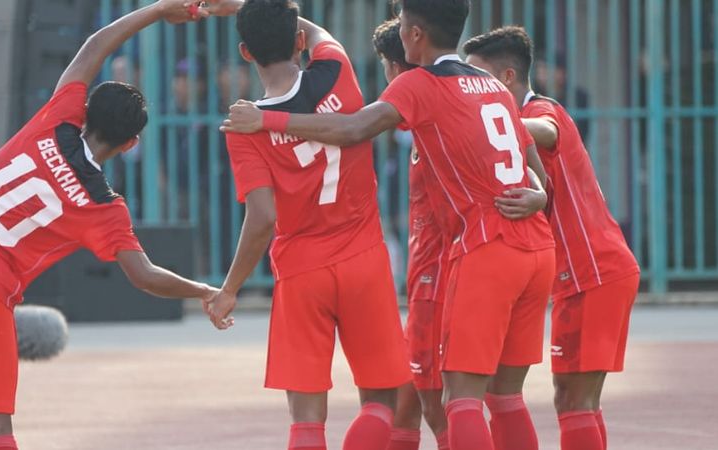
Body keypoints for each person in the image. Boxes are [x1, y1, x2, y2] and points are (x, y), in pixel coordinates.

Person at [0, 2, 219, 449]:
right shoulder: (103, 206)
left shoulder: (57, 117)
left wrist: (160, 9)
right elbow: (145, 277)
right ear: (132, 143)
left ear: (86, 109)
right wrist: (205, 291)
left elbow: (95, 44)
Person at [220, 1, 556, 449]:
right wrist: (540, 195)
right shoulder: (345, 71)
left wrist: (265, 120)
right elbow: (535, 162)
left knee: (447, 402)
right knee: (421, 400)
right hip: (386, 258)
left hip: (320, 264)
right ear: (299, 40)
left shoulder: (414, 84)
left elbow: (345, 138)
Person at [208, 1, 412, 449]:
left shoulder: (245, 127)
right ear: (299, 41)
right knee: (379, 403)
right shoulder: (336, 69)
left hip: (302, 270)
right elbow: (315, 29)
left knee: (306, 419)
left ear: (246, 52)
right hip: (364, 257)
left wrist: (230, 289)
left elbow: (262, 218)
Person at [464, 26, 641, 450]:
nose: (472, 89)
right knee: (577, 400)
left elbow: (544, 129)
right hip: (586, 274)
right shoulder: (512, 130)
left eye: (479, 78)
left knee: (574, 401)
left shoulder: (544, 111)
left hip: (594, 272)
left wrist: (484, 124)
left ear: (507, 78)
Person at [372, 18, 448, 450]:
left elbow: (354, 127)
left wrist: (274, 121)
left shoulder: (417, 96)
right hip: (429, 266)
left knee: (436, 402)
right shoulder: (431, 101)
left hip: (437, 273)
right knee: (407, 397)